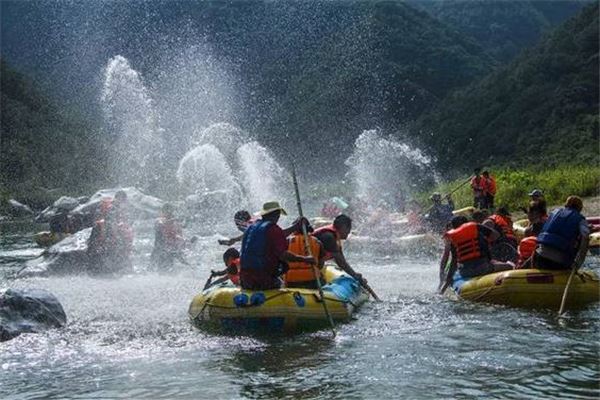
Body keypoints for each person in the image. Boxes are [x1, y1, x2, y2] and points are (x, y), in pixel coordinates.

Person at [239, 201, 315, 290]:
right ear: (277, 215)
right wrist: (305, 259)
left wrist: (295, 227)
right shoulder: (273, 229)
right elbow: (283, 255)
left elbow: (278, 235)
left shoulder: (251, 227)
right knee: (281, 278)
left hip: (245, 279)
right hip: (262, 280)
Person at [439, 216, 514, 293]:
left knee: (493, 262)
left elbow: (453, 262)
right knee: (509, 266)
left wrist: (444, 286)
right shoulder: (476, 226)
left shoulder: (454, 237)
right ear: (467, 223)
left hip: (465, 272)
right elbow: (496, 235)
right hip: (483, 268)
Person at [534, 196, 590, 270]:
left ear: (566, 205)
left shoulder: (554, 213)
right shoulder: (580, 220)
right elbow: (585, 237)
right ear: (579, 208)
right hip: (559, 261)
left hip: (540, 256)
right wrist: (578, 263)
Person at [311, 214, 367, 285]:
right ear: (343, 227)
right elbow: (340, 261)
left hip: (312, 267)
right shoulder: (328, 236)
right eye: (348, 228)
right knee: (322, 283)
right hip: (306, 268)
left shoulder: (334, 236)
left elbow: (341, 258)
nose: (349, 232)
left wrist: (355, 274)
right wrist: (355, 276)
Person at [87, 191, 134, 274]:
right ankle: (107, 271)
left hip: (100, 230)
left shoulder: (107, 205)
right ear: (121, 198)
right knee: (108, 251)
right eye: (123, 200)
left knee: (100, 250)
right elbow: (111, 222)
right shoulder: (113, 207)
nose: (124, 203)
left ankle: (96, 270)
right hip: (106, 231)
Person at [284, 224, 325, 289]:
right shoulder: (318, 242)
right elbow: (321, 265)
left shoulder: (287, 241)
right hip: (313, 279)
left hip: (292, 280)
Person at [150, 203, 186, 271]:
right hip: (162, 248)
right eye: (167, 211)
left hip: (170, 249)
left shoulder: (175, 223)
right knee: (162, 268)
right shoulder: (160, 220)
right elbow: (160, 224)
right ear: (163, 211)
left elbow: (178, 236)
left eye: (170, 211)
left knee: (167, 268)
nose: (169, 212)